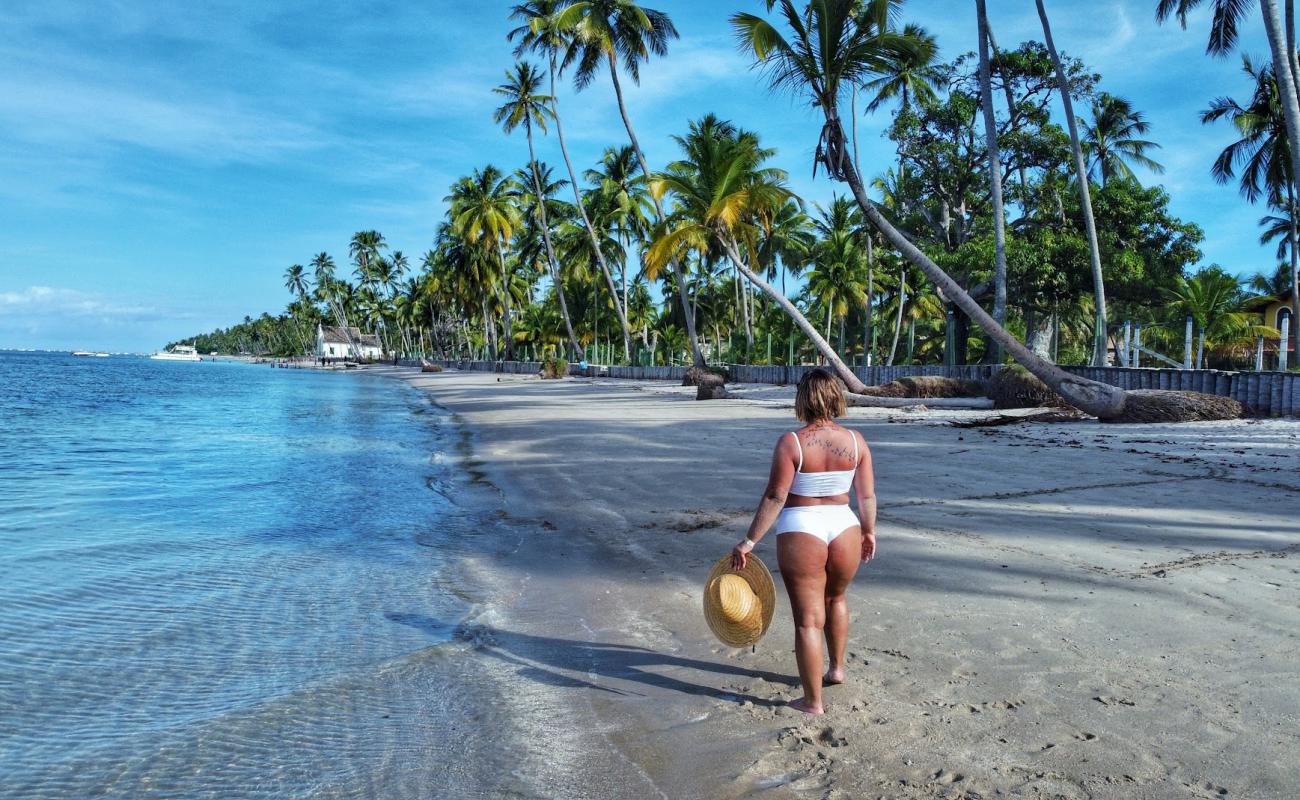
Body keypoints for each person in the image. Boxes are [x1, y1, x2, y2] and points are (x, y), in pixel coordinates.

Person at [730, 367, 876, 714]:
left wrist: (749, 542)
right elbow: (866, 496)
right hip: (845, 526)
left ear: (803, 400)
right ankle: (836, 669)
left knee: (808, 620)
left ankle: (813, 702)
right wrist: (869, 531)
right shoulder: (856, 441)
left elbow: (775, 497)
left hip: (802, 528)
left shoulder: (792, 442)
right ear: (836, 397)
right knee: (836, 598)